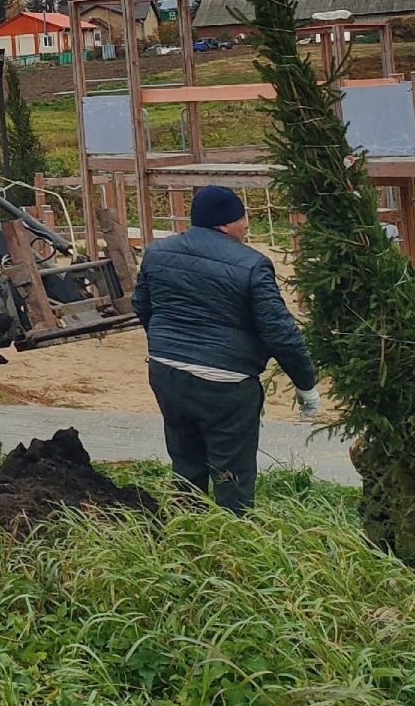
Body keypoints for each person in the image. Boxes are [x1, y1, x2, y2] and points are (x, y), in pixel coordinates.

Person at [132, 185, 319, 513]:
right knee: (231, 474)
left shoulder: (157, 253)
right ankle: (233, 543)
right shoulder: (252, 265)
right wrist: (306, 385)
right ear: (225, 223)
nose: (247, 225)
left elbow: (143, 305)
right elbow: (280, 332)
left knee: (186, 463)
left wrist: (170, 346)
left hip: (166, 372)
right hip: (225, 383)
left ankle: (186, 535)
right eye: (242, 218)